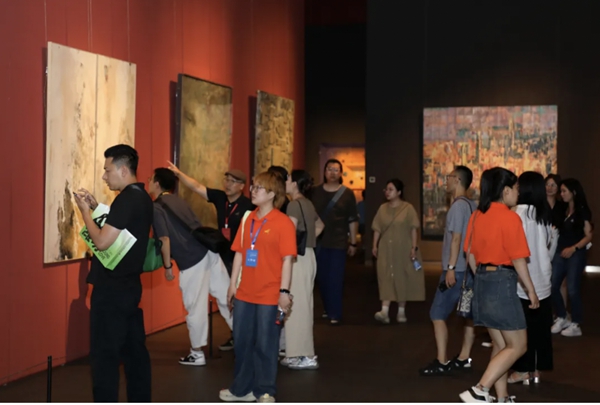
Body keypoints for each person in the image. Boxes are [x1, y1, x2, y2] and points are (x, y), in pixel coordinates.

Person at [73, 144, 152, 402]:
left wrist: (85, 212)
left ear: (123, 170)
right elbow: (120, 230)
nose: (104, 176)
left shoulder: (126, 199)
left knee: (105, 358)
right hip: (130, 288)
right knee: (134, 355)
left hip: (111, 292)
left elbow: (103, 242)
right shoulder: (142, 197)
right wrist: (97, 207)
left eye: (108, 170)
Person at [459, 167, 539, 404]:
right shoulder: (510, 217)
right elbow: (518, 259)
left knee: (502, 344)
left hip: (482, 282)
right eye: (515, 188)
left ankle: (502, 397)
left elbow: (470, 254)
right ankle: (479, 389)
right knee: (518, 345)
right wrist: (531, 290)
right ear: (505, 191)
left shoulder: (477, 215)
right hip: (502, 283)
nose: (518, 193)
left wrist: (484, 276)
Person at [219, 171, 297, 403]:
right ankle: (242, 389)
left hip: (269, 294)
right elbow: (240, 253)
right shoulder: (248, 219)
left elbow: (287, 260)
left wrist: (284, 292)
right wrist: (232, 285)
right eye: (253, 187)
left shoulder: (283, 222)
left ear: (272, 194)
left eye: (259, 188)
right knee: (242, 343)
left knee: (266, 344)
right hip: (245, 292)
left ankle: (265, 390)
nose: (253, 191)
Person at [148, 168, 233, 366]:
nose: (148, 182)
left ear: (157, 183)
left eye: (150, 179)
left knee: (195, 306)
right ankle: (248, 339)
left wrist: (167, 266)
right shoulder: (179, 201)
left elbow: (164, 239)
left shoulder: (156, 207)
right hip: (209, 251)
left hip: (191, 259)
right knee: (225, 298)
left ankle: (197, 352)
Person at [167, 162, 254, 351]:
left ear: (241, 186)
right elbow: (197, 187)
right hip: (222, 253)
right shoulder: (220, 197)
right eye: (226, 180)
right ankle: (237, 335)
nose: (228, 184)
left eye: (233, 181)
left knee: (240, 295)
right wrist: (179, 174)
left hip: (241, 255)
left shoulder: (248, 205)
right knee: (227, 294)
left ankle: (246, 335)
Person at [420, 166, 476, 376]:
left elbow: (456, 239)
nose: (446, 181)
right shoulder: (471, 205)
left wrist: (451, 267)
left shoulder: (457, 207)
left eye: (449, 177)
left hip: (457, 269)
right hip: (468, 269)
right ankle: (464, 357)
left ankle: (442, 360)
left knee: (437, 314)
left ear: (458, 180)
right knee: (467, 315)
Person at [507, 171, 557, 384]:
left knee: (521, 328)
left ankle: (522, 370)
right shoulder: (543, 214)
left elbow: (515, 252)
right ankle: (537, 369)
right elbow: (549, 247)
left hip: (523, 279)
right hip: (543, 277)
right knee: (541, 328)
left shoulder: (516, 214)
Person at [280, 169, 325, 370]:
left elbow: (289, 233)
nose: (285, 182)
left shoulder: (293, 205)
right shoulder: (307, 203)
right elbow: (320, 225)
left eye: (288, 179)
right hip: (309, 255)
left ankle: (302, 354)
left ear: (295, 183)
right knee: (303, 304)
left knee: (296, 306)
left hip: (296, 258)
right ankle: (298, 353)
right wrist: (309, 241)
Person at [310, 159, 359, 325]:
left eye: (336, 170)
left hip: (338, 241)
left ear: (341, 173)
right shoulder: (315, 192)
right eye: (329, 169)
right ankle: (327, 307)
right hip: (318, 241)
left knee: (335, 279)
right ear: (324, 172)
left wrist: (353, 242)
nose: (332, 172)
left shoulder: (347, 193)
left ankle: (335, 312)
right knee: (321, 278)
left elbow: (352, 219)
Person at [372, 179, 424, 323]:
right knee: (385, 276)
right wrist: (374, 245)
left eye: (391, 189)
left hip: (403, 248)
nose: (387, 192)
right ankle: (384, 310)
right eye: (386, 189)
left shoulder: (408, 208)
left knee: (402, 277)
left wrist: (414, 247)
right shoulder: (382, 209)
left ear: (399, 192)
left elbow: (413, 229)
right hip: (386, 248)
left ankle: (401, 311)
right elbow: (377, 228)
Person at [550, 178, 593, 337]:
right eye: (561, 191)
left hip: (576, 253)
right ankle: (562, 316)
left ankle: (576, 323)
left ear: (573, 192)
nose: (561, 194)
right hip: (560, 251)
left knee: (573, 288)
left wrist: (574, 248)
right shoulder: (562, 209)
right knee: (553, 285)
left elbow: (588, 236)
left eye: (564, 191)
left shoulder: (582, 210)